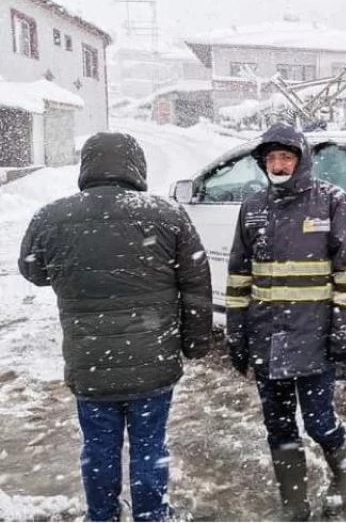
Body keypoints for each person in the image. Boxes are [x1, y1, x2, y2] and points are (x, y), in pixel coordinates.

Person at [18, 131, 212, 522]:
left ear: (86, 165)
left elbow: (33, 271)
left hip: (90, 362)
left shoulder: (51, 217)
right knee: (149, 446)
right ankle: (151, 515)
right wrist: (195, 342)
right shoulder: (168, 215)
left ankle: (102, 514)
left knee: (98, 448)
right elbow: (195, 283)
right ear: (137, 166)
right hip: (153, 361)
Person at [225, 123, 346, 521]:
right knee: (279, 426)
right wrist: (236, 333)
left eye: (286, 157)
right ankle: (294, 503)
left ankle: (344, 479)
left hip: (314, 339)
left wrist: (342, 331)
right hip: (266, 339)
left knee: (320, 423)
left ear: (301, 160)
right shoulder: (252, 207)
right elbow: (239, 275)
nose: (279, 165)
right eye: (271, 158)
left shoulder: (331, 201)